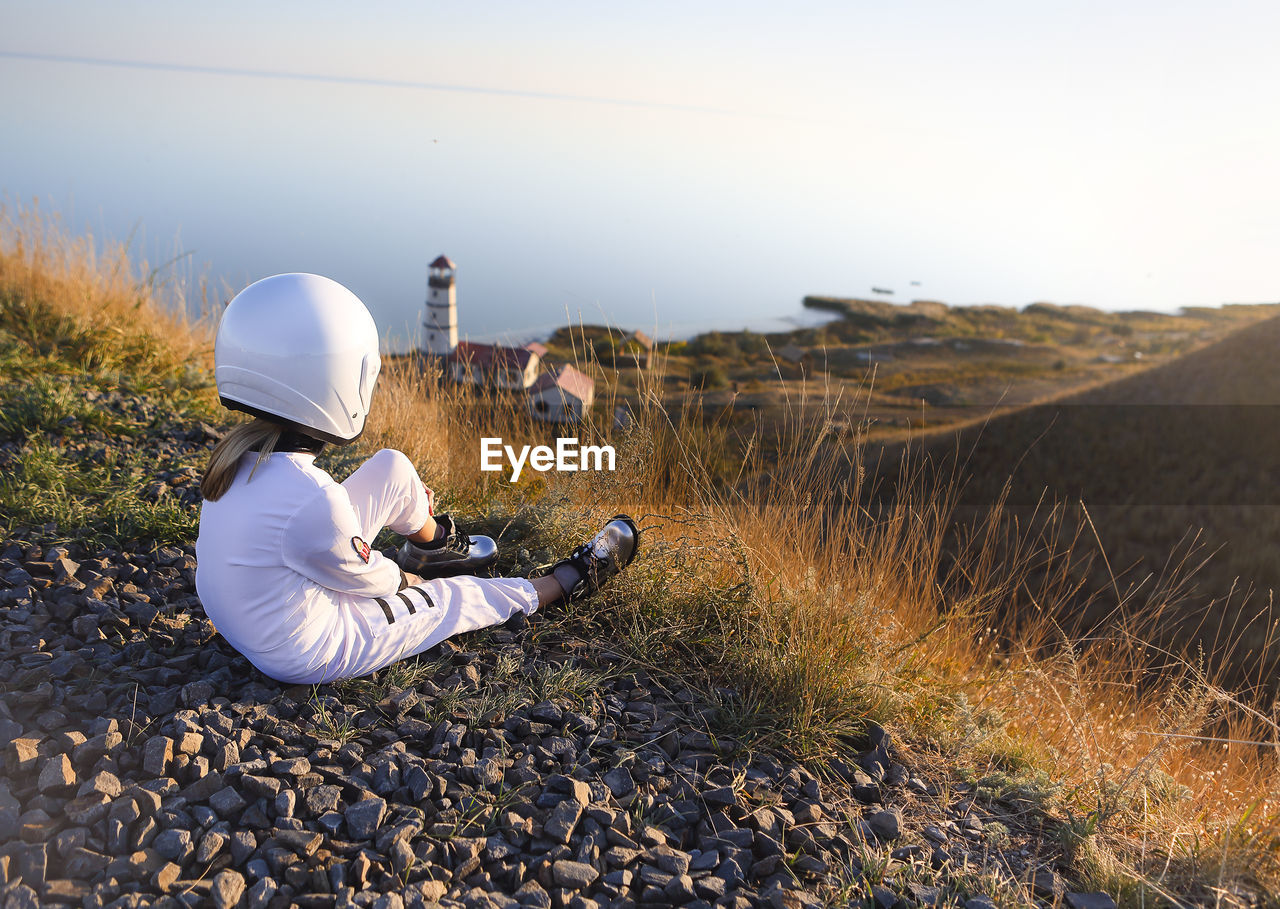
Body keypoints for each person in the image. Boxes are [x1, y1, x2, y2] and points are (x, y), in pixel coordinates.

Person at [194, 273, 638, 685]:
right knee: (456, 598)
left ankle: (434, 545)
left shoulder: (239, 460)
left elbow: (309, 533)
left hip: (258, 615)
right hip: (305, 648)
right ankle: (565, 581)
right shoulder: (313, 499)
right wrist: (412, 583)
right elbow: (372, 580)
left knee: (391, 466)